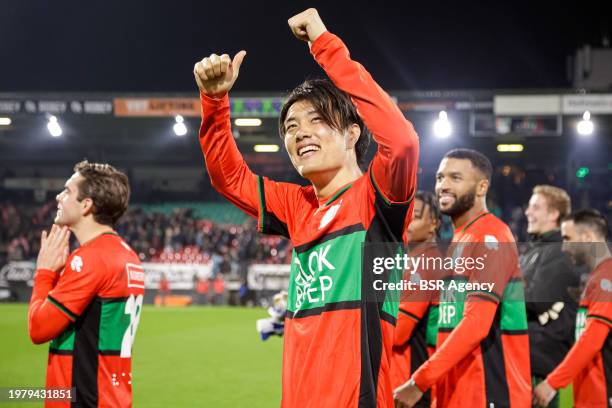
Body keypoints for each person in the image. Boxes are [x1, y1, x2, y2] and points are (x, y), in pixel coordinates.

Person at [193, 8, 418, 407]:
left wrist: (324, 44)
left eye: (316, 120)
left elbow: (401, 143)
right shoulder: (297, 205)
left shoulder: (376, 198)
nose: (300, 133)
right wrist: (214, 101)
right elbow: (229, 179)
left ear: (352, 134)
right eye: (291, 127)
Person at [394, 148, 531, 407]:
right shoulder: (459, 241)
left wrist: (418, 381)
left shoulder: (491, 237)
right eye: (439, 178)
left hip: (489, 391)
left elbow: (475, 325)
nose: (443, 186)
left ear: (481, 187)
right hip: (457, 393)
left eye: (455, 178)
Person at [27, 161, 144, 408]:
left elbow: (38, 329)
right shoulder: (126, 254)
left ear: (86, 204)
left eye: (67, 191)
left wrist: (45, 274)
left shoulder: (91, 258)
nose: (59, 196)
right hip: (110, 397)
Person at [534, 209, 611, 408]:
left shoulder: (606, 278)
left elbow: (591, 340)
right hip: (590, 394)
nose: (564, 247)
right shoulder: (597, 278)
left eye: (568, 238)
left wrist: (552, 383)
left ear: (587, 238)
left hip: (603, 395)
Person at [522, 185, 578, 408]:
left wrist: (509, 286)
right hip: (526, 359)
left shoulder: (559, 251)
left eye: (535, 207)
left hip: (541, 363)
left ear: (554, 214)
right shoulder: (534, 250)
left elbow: (536, 300)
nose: (527, 211)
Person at [389, 191, 442, 407]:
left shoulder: (425, 262)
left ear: (434, 224)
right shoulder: (413, 259)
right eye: (406, 215)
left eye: (417, 216)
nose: (408, 221)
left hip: (407, 381)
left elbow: (398, 333)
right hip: (404, 378)